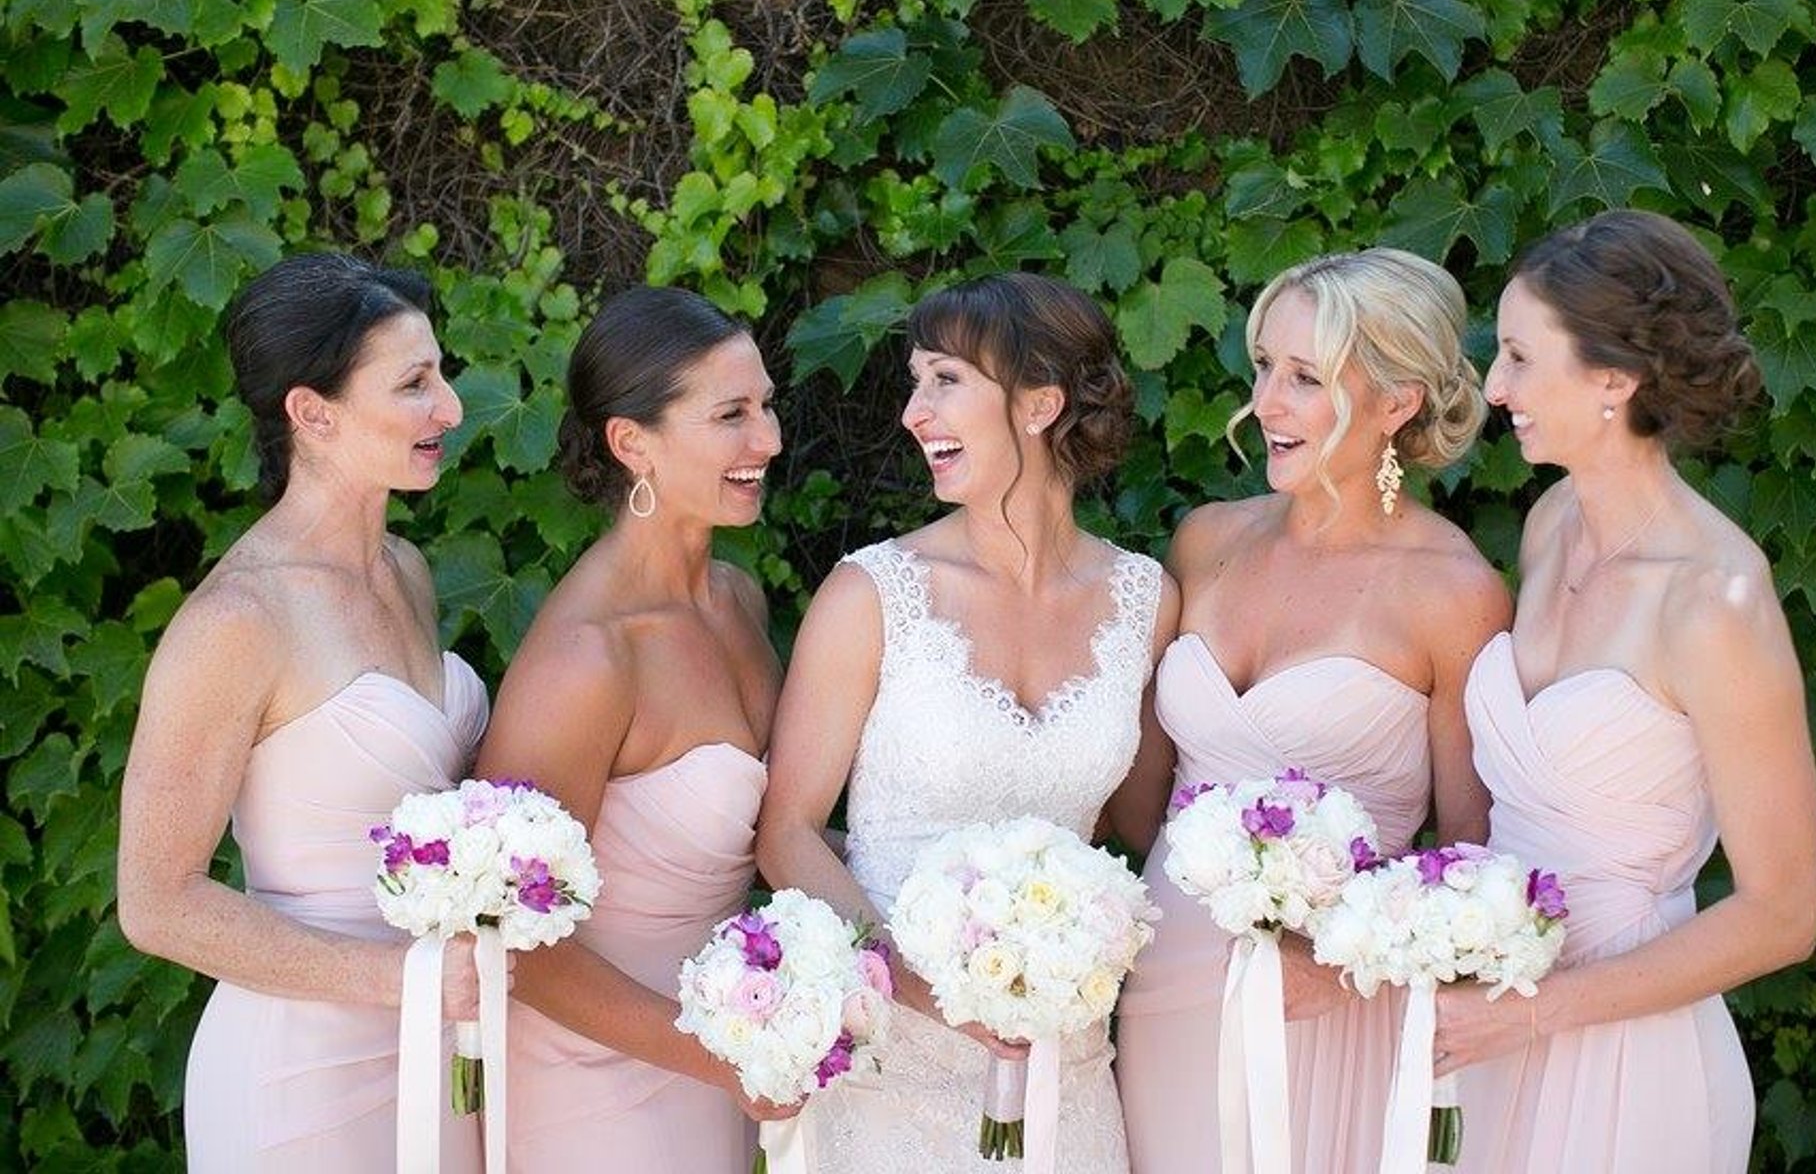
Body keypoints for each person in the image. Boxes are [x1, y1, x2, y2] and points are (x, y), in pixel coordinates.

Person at [755, 272, 1180, 1172]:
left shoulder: (1146, 600)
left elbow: (1149, 830)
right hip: (892, 1074)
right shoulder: (872, 594)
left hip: (1066, 1077)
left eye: (944, 380)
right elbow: (787, 834)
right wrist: (918, 988)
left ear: (1040, 403)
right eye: (917, 382)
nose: (914, 412)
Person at [1438, 210, 1816, 1172]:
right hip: (1490, 1023)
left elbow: (1783, 913)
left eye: (1523, 358)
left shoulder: (1713, 600)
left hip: (1621, 1053)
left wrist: (1536, 1014)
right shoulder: (1552, 521)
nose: (1495, 387)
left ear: (1614, 378)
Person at [1113, 248, 1511, 1173]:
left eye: (1305, 378)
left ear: (1397, 402)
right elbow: (1140, 791)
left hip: (1333, 1003)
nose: (1266, 404)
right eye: (1263, 368)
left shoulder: (1454, 593)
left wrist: (1336, 967)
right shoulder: (1206, 540)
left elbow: (1466, 850)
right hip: (1164, 976)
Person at [116, 253, 482, 1171]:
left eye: (441, 374)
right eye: (413, 385)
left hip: (439, 1046)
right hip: (301, 1077)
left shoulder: (407, 571)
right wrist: (407, 980)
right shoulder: (238, 621)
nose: (451, 409)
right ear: (311, 413)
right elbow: (157, 904)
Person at [474, 286, 790, 1171]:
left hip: (722, 1062)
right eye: (732, 414)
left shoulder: (735, 599)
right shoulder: (589, 658)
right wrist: (723, 1057)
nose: (767, 440)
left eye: (766, 406)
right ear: (631, 442)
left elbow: (766, 831)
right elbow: (517, 945)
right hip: (597, 1082)